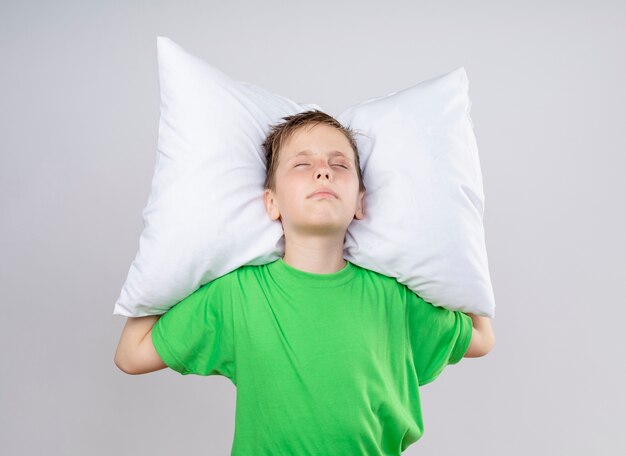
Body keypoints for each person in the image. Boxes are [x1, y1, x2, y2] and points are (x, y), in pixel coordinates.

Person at [114, 109, 495, 455]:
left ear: (360, 202)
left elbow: (481, 338)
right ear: (271, 202)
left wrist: (462, 247)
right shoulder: (237, 296)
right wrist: (162, 260)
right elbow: (131, 355)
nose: (323, 171)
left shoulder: (392, 298)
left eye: (340, 164)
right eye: (302, 164)